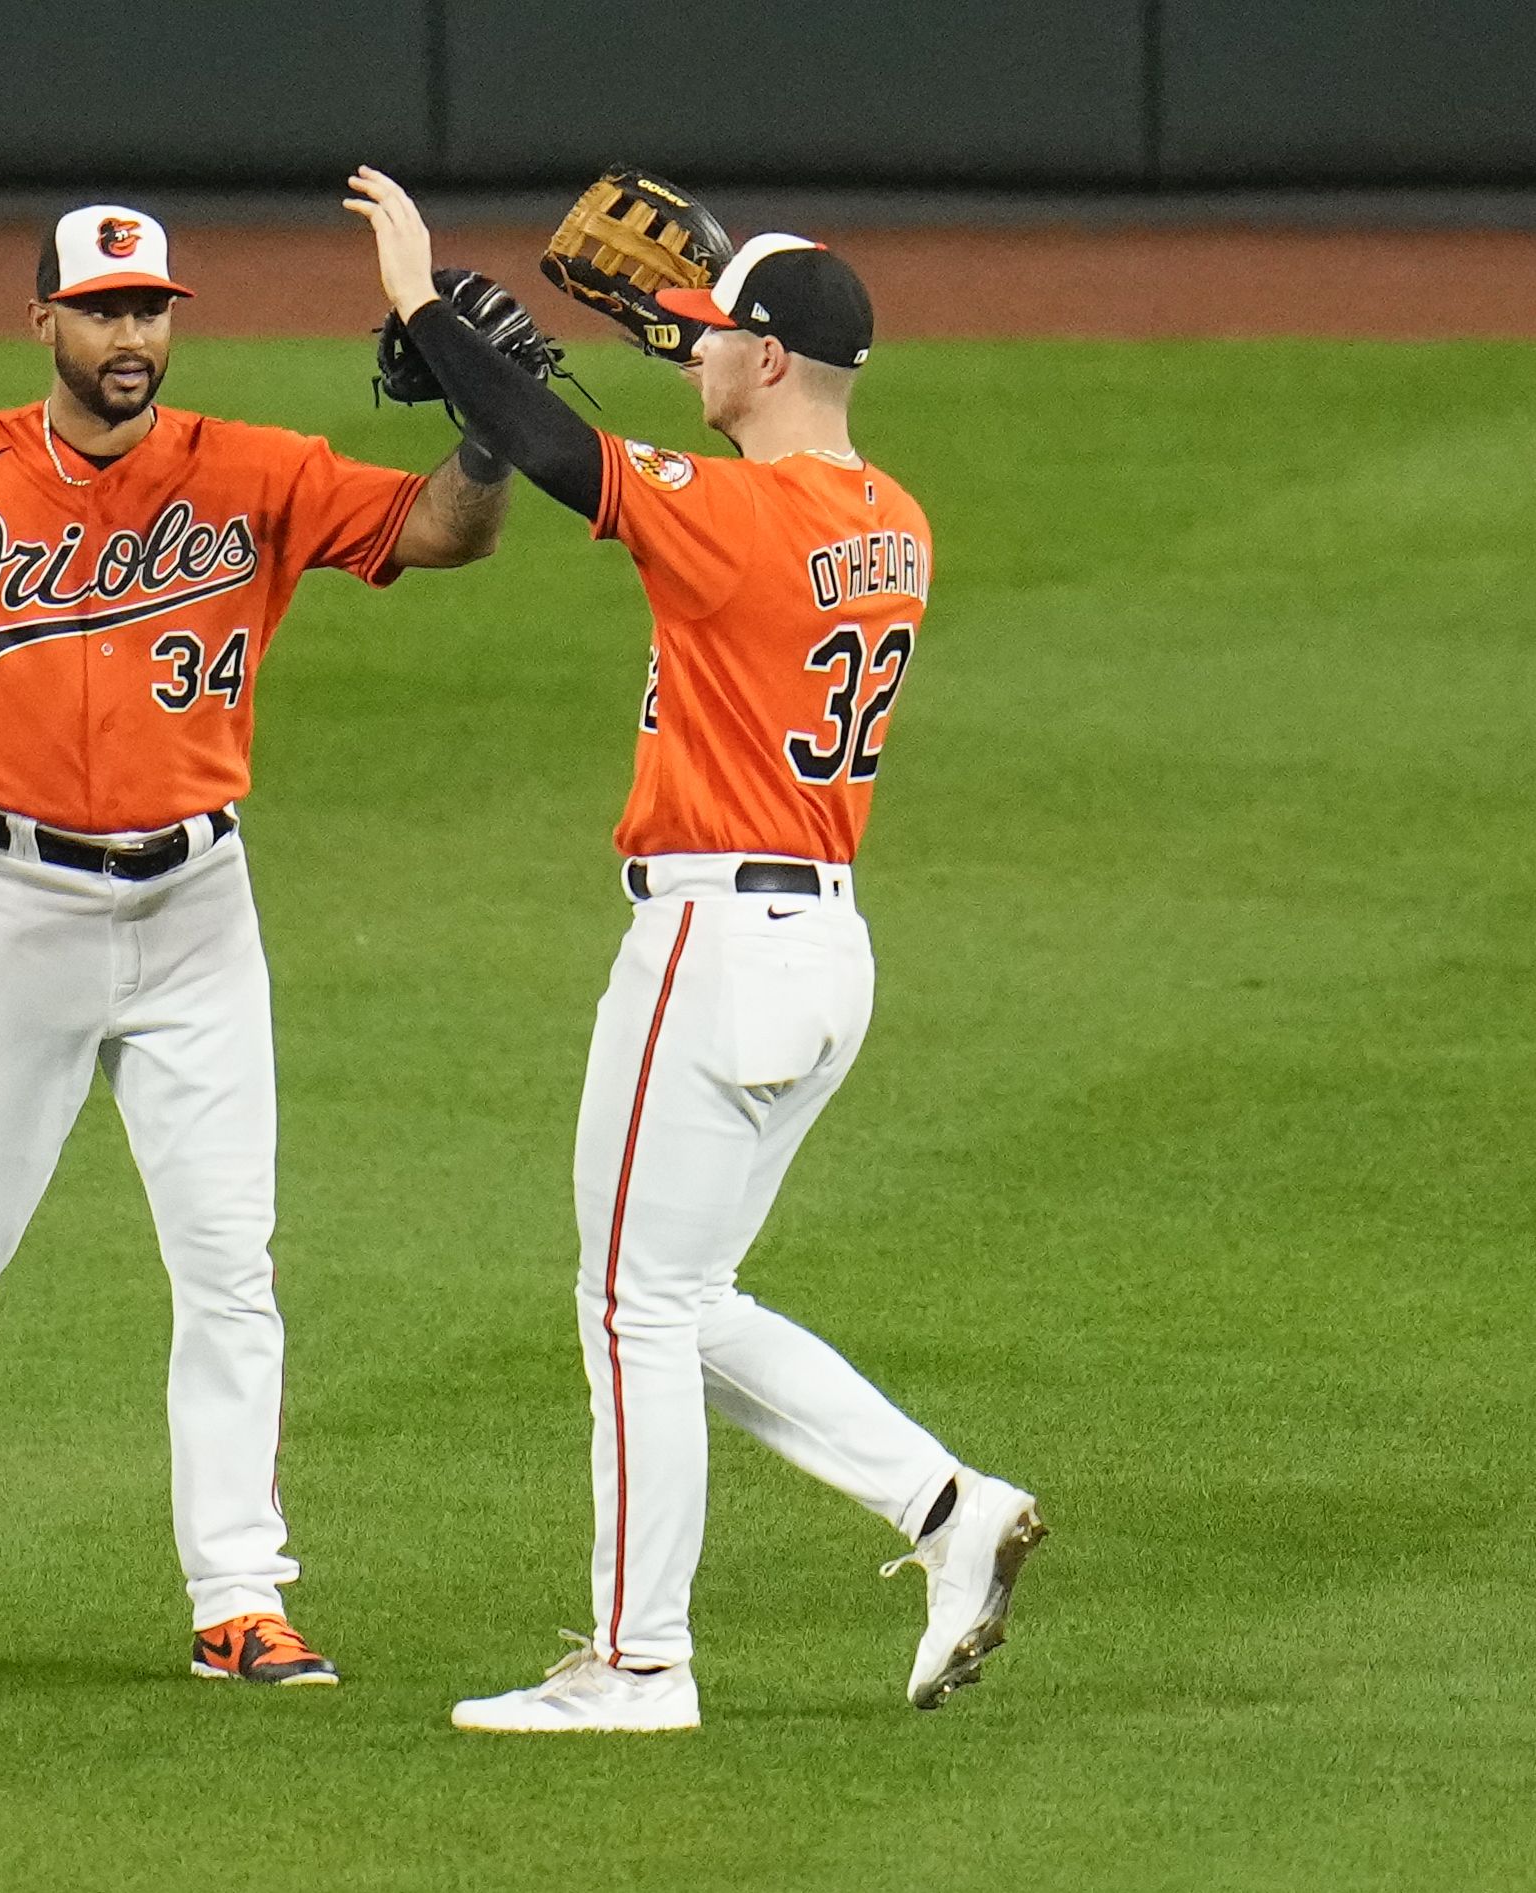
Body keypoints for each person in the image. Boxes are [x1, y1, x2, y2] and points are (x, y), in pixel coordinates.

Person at [0, 204, 509, 1686]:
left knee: (229, 1263)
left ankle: (238, 1594)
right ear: (43, 319)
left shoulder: (254, 470)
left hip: (202, 913)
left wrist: (492, 428)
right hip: (17, 912)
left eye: (152, 309)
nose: (132, 337)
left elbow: (442, 528)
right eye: (104, 309)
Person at [343, 168, 1044, 1733]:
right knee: (678, 1291)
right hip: (822, 951)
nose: (691, 349)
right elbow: (618, 435)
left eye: (717, 335)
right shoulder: (890, 518)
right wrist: (541, 368)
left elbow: (555, 454)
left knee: (629, 1306)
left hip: (716, 947)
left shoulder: (743, 516)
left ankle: (638, 1662)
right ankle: (950, 1507)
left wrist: (414, 300)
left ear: (776, 361)